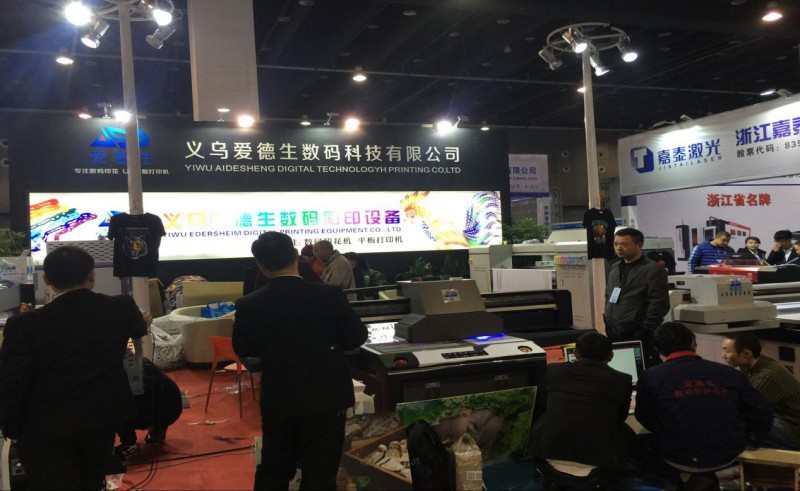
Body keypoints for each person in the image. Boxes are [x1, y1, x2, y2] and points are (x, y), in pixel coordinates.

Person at [0, 245, 150, 490]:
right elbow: (139, 328)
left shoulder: (23, 326)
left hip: (44, 428)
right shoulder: (121, 307)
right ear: (91, 274)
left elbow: (12, 382)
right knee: (92, 482)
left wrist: (12, 427)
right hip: (101, 420)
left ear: (47, 280)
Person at [233, 232, 367, 490]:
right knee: (321, 473)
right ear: (296, 255)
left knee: (274, 469)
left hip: (279, 399)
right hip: (327, 399)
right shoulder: (329, 295)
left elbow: (244, 348)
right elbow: (356, 337)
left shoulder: (249, 304)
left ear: (261, 265)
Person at [635, 322, 773, 489]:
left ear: (658, 350)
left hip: (678, 456)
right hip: (728, 452)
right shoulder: (730, 374)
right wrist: (752, 441)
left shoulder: (650, 377)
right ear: (693, 342)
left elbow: (643, 416)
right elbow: (762, 413)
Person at [531, 332, 634, 487]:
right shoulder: (622, 380)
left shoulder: (553, 371)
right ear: (611, 356)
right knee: (627, 433)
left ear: (575, 353)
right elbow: (619, 419)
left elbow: (543, 408)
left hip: (546, 456)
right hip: (599, 463)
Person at [604, 227, 670, 367]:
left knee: (644, 369)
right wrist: (607, 318)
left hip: (638, 332)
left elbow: (659, 304)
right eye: (616, 244)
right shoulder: (615, 267)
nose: (619, 248)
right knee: (620, 368)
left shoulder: (653, 270)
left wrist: (645, 329)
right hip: (613, 330)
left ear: (639, 245)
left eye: (624, 244)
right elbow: (609, 295)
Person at [721, 332, 800, 450]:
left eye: (727, 351)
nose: (723, 356)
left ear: (747, 354)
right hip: (782, 418)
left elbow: (746, 409)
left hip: (794, 428)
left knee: (737, 425)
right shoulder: (751, 365)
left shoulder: (767, 376)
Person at [116, 357, 184, 459]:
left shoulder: (130, 372)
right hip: (171, 407)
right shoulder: (133, 361)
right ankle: (156, 428)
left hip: (165, 409)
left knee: (115, 409)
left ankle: (129, 445)